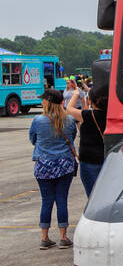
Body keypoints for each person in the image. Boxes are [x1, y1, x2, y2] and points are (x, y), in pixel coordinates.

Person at [29, 88, 78, 248]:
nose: (41, 102)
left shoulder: (38, 120)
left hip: (43, 165)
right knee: (62, 199)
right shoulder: (69, 120)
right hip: (64, 164)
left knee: (47, 201)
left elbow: (33, 139)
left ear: (48, 102)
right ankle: (64, 237)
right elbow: (72, 137)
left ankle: (45, 237)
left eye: (43, 99)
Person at [67, 82, 107, 197]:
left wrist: (75, 94)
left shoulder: (88, 115)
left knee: (93, 196)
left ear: (90, 100)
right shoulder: (112, 115)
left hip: (89, 161)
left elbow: (69, 110)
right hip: (108, 159)